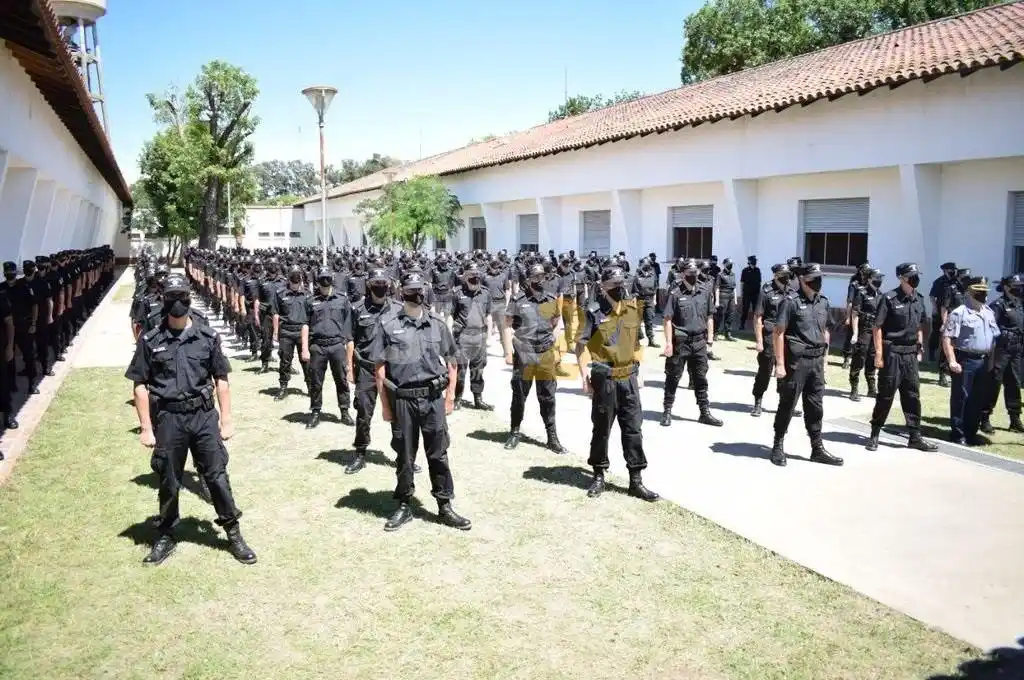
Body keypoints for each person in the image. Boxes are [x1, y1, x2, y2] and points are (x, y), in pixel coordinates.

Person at [124, 273, 256, 566]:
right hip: (169, 418)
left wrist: (227, 419)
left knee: (216, 476)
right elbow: (140, 384)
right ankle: (166, 534)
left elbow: (221, 379)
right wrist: (146, 427)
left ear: (189, 298)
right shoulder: (151, 340)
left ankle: (233, 532)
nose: (178, 303)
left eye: (182, 297)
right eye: (172, 298)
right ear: (164, 300)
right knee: (169, 480)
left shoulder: (207, 337)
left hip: (203, 416)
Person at [371, 271, 470, 532]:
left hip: (433, 399)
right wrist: (385, 406)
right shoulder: (388, 324)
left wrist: (450, 398)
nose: (416, 294)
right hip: (403, 400)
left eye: (420, 289)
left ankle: (444, 505)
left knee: (438, 454)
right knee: (405, 456)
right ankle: (404, 504)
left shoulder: (437, 324)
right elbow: (380, 367)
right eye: (411, 290)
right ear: (401, 292)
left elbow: (452, 361)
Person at [575, 267, 659, 502]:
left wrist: (640, 372)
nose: (620, 288)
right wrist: (584, 376)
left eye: (622, 283)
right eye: (614, 284)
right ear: (603, 286)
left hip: (629, 377)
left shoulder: (631, 309)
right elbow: (580, 346)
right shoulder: (593, 311)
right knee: (602, 430)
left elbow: (637, 343)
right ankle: (598, 475)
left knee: (633, 429)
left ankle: (636, 480)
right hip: (605, 378)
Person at [770, 263, 843, 467]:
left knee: (815, 407)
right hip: (796, 363)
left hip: (816, 361)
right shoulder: (790, 302)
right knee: (788, 404)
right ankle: (777, 445)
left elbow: (825, 331)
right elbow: (778, 333)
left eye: (820, 278)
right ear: (802, 279)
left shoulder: (823, 302)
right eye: (813, 278)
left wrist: (825, 359)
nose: (818, 281)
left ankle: (817, 448)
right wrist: (780, 364)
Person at [864, 263, 938, 452]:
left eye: (916, 275)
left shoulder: (919, 299)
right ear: (901, 278)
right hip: (892, 353)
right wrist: (879, 355)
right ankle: (875, 433)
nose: (915, 279)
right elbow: (877, 328)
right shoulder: (889, 298)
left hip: (910, 353)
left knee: (912, 395)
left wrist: (919, 346)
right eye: (911, 276)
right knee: (886, 394)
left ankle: (915, 437)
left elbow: (920, 325)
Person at [348, 267, 408, 474]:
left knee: (399, 414)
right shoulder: (357, 309)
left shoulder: (399, 309)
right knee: (364, 413)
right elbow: (350, 340)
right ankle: (360, 453)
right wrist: (349, 369)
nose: (380, 287)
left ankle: (402, 455)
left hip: (393, 371)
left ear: (389, 286)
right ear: (369, 285)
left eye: (383, 284)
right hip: (367, 369)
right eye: (376, 284)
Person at [503, 263, 566, 453]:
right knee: (519, 395)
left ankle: (552, 437)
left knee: (548, 397)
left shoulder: (551, 299)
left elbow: (557, 323)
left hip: (545, 353)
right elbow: (507, 325)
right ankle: (515, 432)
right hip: (524, 354)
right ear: (528, 279)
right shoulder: (518, 299)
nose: (540, 280)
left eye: (543, 277)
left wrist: (554, 344)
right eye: (536, 277)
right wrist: (508, 351)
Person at [659, 258, 723, 428]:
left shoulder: (704, 291)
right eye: (690, 273)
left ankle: (704, 412)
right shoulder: (675, 294)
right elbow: (667, 319)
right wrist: (668, 343)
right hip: (680, 343)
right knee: (673, 377)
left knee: (701, 378)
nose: (693, 276)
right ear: (682, 274)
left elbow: (710, 316)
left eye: (695, 273)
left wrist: (710, 340)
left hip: (699, 342)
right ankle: (667, 411)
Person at [941, 276, 1001, 445]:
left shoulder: (988, 312)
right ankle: (958, 434)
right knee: (961, 398)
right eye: (979, 291)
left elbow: (994, 337)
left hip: (983, 361)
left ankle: (971, 433)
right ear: (969, 292)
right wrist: (952, 361)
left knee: (977, 398)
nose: (983, 295)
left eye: (985, 291)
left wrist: (992, 362)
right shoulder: (959, 313)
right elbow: (947, 338)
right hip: (965, 359)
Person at [301, 268, 355, 429]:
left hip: (337, 345)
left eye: (327, 278)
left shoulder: (342, 299)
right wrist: (304, 348)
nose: (325, 282)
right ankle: (315, 412)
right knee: (316, 381)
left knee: (341, 380)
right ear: (318, 280)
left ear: (332, 279)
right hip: (318, 346)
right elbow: (305, 325)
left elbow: (348, 326)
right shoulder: (310, 300)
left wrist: (349, 352)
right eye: (322, 278)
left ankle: (344, 411)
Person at [980, 274, 1023, 433]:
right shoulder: (998, 305)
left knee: (1014, 384)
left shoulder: (1019, 304)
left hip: (1016, 349)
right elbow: (990, 328)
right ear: (1006, 287)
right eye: (1016, 286)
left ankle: (1015, 418)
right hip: (1000, 350)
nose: (1019, 289)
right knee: (994, 383)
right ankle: (984, 417)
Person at [750, 263, 792, 417]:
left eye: (788, 274)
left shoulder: (792, 291)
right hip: (769, 335)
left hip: (787, 336)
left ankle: (784, 403)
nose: (787, 278)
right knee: (765, 370)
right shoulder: (766, 291)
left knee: (786, 370)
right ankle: (758, 400)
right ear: (776, 275)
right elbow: (757, 317)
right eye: (783, 275)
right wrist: (759, 341)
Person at [451, 262, 493, 411]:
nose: (474, 278)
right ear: (465, 277)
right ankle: (457, 398)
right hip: (462, 337)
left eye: (477, 275)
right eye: (471, 275)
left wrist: (488, 337)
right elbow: (452, 315)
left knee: (478, 370)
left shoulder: (486, 293)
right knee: (460, 370)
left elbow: (488, 315)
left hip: (479, 337)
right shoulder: (457, 293)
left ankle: (478, 399)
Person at [272, 266, 311, 401]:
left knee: (306, 362)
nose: (296, 279)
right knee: (285, 361)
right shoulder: (280, 293)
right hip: (286, 332)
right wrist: (275, 333)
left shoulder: (307, 294)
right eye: (293, 276)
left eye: (298, 276)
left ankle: (311, 387)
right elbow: (276, 314)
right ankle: (283, 387)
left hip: (302, 332)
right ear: (289, 277)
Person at [848, 267, 883, 402]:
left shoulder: (881, 295)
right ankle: (854, 389)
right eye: (876, 278)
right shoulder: (861, 293)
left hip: (875, 331)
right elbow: (855, 313)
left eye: (880, 278)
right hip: (864, 330)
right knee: (859, 358)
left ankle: (871, 389)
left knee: (872, 359)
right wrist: (855, 333)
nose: (879, 280)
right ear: (869, 279)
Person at [928, 262, 959, 385]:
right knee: (937, 334)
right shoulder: (939, 281)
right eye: (951, 270)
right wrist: (934, 308)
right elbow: (932, 296)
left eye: (954, 269)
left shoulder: (957, 281)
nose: (953, 271)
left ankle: (949, 369)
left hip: (953, 315)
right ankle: (932, 351)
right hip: (941, 312)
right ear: (945, 270)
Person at [631, 257, 659, 348]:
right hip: (640, 299)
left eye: (648, 264)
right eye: (644, 264)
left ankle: (651, 340)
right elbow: (634, 290)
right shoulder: (637, 275)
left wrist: (654, 299)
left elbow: (655, 288)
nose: (646, 266)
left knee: (649, 321)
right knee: (637, 321)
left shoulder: (653, 274)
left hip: (650, 300)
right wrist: (634, 302)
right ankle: (637, 340)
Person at [714, 257, 738, 341]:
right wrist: (717, 301)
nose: (730, 265)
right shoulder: (720, 275)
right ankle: (715, 333)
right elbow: (717, 287)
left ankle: (728, 334)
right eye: (728, 264)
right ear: (724, 264)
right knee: (719, 316)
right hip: (723, 296)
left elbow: (734, 287)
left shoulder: (733, 274)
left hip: (731, 296)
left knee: (730, 316)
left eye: (731, 264)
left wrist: (735, 299)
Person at [739, 255, 762, 330]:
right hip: (747, 294)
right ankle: (742, 324)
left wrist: (760, 294)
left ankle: (756, 325)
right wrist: (741, 294)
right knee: (745, 309)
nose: (755, 262)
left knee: (756, 310)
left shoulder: (758, 270)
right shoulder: (745, 270)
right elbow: (742, 283)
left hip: (756, 294)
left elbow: (759, 282)